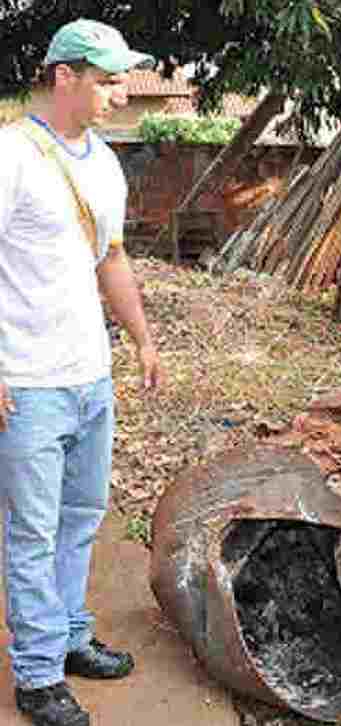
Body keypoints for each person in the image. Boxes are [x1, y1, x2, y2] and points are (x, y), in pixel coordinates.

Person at [0, 18, 162, 726]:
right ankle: (36, 678)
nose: (122, 94)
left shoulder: (103, 162)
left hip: (90, 377)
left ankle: (66, 637)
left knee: (80, 519)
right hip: (28, 382)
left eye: (124, 79)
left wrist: (143, 340)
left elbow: (112, 259)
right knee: (32, 532)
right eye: (109, 80)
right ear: (64, 76)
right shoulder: (11, 155)